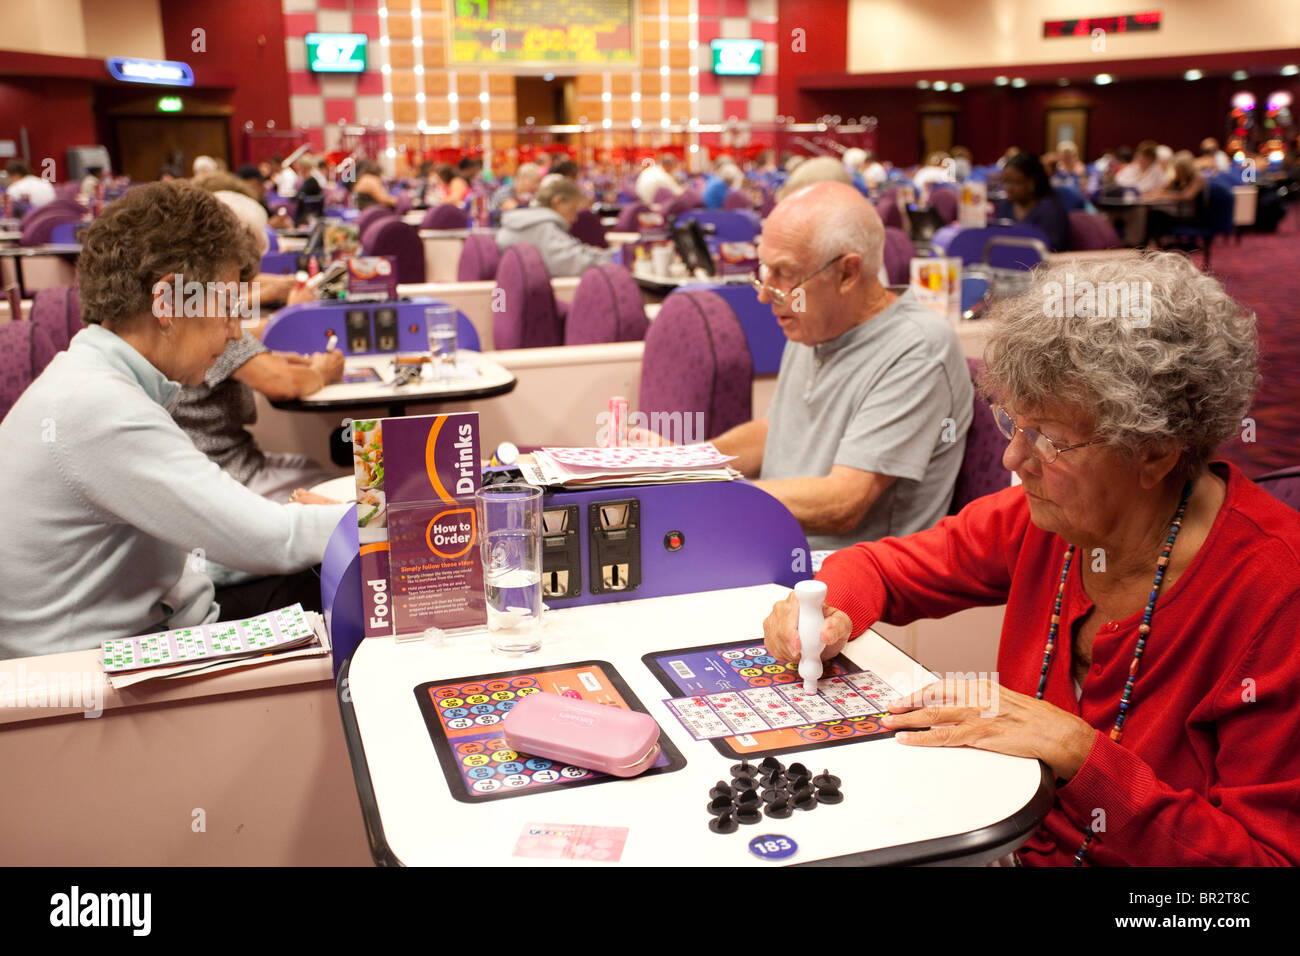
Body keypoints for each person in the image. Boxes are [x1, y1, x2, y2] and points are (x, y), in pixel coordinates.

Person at [762, 252, 1300, 866]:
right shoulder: (1052, 521)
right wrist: (826, 612)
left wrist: (1080, 752)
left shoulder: (1274, 593)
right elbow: (881, 568)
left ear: (1154, 452)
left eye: (1049, 438)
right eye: (1012, 424)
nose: (1013, 459)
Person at [0, 183, 349, 658]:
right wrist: (391, 517)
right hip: (102, 675)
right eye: (227, 307)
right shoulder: (99, 406)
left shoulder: (89, 378)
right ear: (166, 303)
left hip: (138, 635)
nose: (233, 332)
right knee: (344, 594)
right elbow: (273, 540)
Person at [645, 181, 972, 551]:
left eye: (784, 273)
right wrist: (688, 464)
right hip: (771, 542)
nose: (764, 293)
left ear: (848, 273)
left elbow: (844, 501)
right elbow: (775, 431)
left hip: (845, 581)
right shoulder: (814, 321)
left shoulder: (918, 348)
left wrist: (708, 492)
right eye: (764, 269)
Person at [494, 174, 615, 277]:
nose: (575, 217)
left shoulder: (531, 222)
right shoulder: (541, 227)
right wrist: (614, 260)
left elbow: (570, 251)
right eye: (573, 209)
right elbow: (573, 264)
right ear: (557, 201)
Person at [994, 152, 1071, 252]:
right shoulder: (1004, 206)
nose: (1008, 188)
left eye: (1014, 182)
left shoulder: (1052, 211)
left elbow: (1051, 251)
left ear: (1032, 182)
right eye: (1005, 182)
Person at [1145, 150, 1211, 245]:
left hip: (1192, 216)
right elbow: (1162, 190)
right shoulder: (1178, 177)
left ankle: (1156, 246)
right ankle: (1153, 245)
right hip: (1178, 212)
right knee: (1152, 214)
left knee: (1155, 216)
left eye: (1181, 168)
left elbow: (1187, 196)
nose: (1179, 171)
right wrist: (1151, 195)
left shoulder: (1198, 178)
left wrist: (1165, 196)